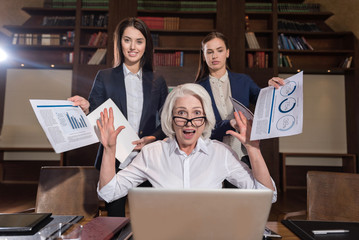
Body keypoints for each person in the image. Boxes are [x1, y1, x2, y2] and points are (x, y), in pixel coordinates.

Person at [97, 83, 277, 204]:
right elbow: (108, 193)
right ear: (171, 119)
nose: (189, 121)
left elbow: (267, 197)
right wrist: (109, 150)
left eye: (197, 113)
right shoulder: (151, 153)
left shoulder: (222, 153)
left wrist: (253, 149)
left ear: (205, 119)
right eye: (181, 113)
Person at [68, 17, 168, 216]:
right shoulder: (104, 77)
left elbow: (167, 123)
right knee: (114, 221)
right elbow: (95, 115)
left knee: (148, 220)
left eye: (139, 41)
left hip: (147, 160)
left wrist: (153, 138)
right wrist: (87, 108)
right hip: (113, 161)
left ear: (146, 45)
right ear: (119, 43)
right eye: (127, 40)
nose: (133, 47)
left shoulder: (157, 80)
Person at [195, 31, 283, 164]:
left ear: (227, 53)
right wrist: (229, 124)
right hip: (210, 154)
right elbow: (200, 128)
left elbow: (265, 102)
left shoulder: (243, 81)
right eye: (209, 52)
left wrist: (272, 87)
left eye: (219, 50)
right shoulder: (197, 89)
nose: (214, 56)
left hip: (243, 152)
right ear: (203, 56)